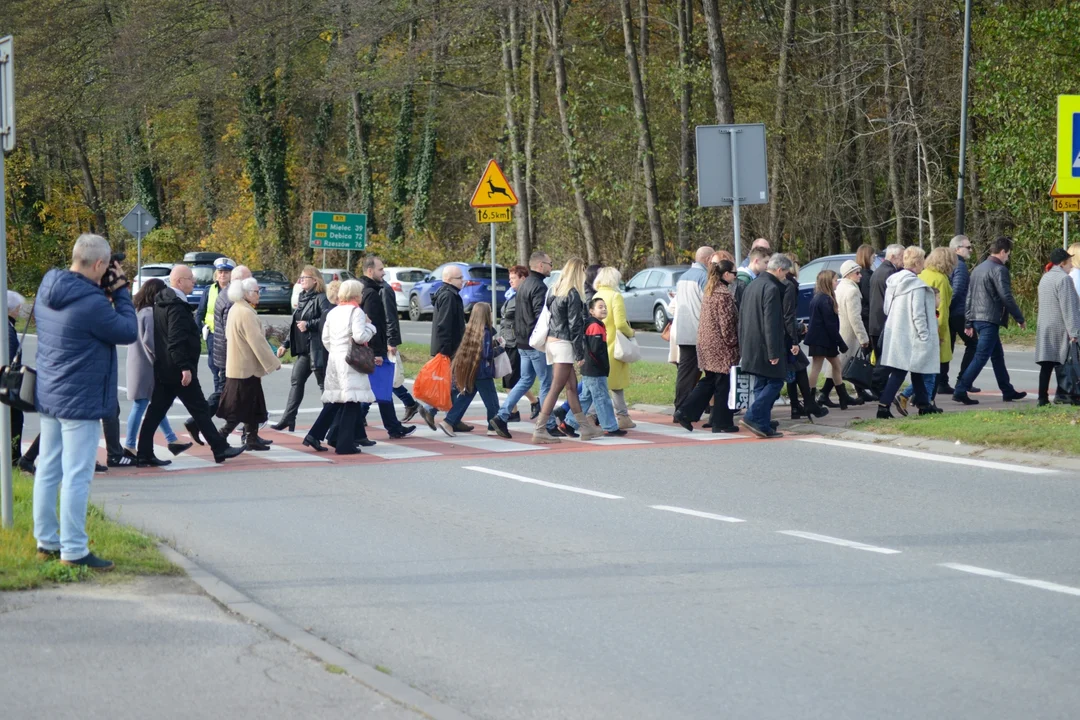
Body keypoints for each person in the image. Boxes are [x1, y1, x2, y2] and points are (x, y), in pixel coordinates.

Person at [33, 233, 137, 571]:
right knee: (77, 475)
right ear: (98, 264)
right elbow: (126, 331)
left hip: (51, 395)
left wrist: (102, 288)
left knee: (48, 469)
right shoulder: (91, 303)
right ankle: (74, 550)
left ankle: (46, 542)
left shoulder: (49, 287)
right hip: (80, 400)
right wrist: (121, 291)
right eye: (108, 266)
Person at [137, 265, 246, 466]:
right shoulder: (176, 305)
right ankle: (219, 448)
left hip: (166, 368)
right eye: (190, 278)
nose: (194, 282)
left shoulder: (162, 302)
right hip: (178, 370)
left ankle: (144, 453)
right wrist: (184, 367)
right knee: (199, 409)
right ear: (179, 281)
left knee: (158, 411)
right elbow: (175, 339)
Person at [303, 279, 377, 455]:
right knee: (351, 400)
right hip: (350, 361)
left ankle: (315, 435)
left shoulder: (333, 312)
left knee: (336, 399)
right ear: (356, 294)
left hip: (335, 358)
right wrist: (371, 327)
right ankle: (345, 444)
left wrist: (336, 350)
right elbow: (359, 337)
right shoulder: (356, 312)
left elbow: (325, 339)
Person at [533, 258, 602, 443]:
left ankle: (585, 428)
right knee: (556, 388)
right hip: (564, 344)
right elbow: (575, 326)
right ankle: (540, 429)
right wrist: (580, 354)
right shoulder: (572, 294)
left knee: (571, 387)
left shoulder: (554, 291)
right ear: (578, 272)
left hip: (552, 342)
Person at [953, 236, 1028, 405]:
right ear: (1002, 252)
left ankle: (1007, 390)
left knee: (997, 355)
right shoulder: (999, 270)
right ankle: (961, 389)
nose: (1008, 257)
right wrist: (1019, 317)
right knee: (981, 356)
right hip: (989, 318)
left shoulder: (978, 269)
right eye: (1008, 254)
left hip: (978, 318)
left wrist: (968, 321)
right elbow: (1006, 296)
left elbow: (969, 297)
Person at [123, 278, 193, 459]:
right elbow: (151, 342)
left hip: (139, 364)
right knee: (141, 405)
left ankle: (172, 440)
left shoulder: (139, 311)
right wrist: (165, 358)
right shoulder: (148, 314)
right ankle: (130, 445)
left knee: (155, 405)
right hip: (146, 366)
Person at [187, 264, 253, 443]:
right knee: (226, 393)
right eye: (248, 278)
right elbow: (230, 331)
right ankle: (199, 423)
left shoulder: (230, 295)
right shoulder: (231, 298)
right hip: (229, 355)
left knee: (242, 393)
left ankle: (250, 434)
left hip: (227, 352)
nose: (251, 282)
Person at [674, 261, 741, 433]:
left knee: (711, 380)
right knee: (722, 383)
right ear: (726, 274)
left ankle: (686, 412)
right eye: (734, 273)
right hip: (720, 345)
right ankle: (720, 421)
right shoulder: (723, 294)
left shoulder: (710, 291)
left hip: (706, 342)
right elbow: (726, 324)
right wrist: (733, 342)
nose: (735, 276)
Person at [215, 277, 282, 449]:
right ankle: (220, 436)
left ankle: (252, 438)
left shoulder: (238, 309)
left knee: (252, 403)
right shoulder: (245, 313)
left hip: (242, 365)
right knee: (240, 406)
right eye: (256, 292)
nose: (259, 295)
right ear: (245, 294)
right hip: (244, 367)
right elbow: (257, 341)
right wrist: (273, 362)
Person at [875, 247, 940, 418]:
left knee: (916, 369)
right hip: (912, 334)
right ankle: (883, 406)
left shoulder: (893, 281)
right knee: (901, 371)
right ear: (918, 262)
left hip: (896, 331)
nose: (924, 264)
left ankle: (924, 404)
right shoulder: (916, 286)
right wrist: (925, 335)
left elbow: (886, 307)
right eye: (923, 260)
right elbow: (918, 314)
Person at [358, 255, 416, 439]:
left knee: (381, 390)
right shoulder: (373, 294)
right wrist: (379, 351)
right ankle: (348, 428)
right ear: (370, 271)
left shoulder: (365, 290)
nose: (384, 272)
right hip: (374, 351)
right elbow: (375, 326)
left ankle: (393, 427)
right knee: (373, 391)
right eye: (380, 269)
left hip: (370, 350)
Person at [738, 254, 793, 438]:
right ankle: (753, 416)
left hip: (750, 344)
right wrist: (773, 351)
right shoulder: (771, 288)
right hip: (765, 345)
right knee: (776, 381)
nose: (786, 276)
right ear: (779, 270)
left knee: (761, 384)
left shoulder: (752, 284)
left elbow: (742, 317)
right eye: (785, 272)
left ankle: (762, 423)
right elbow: (771, 322)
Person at [495, 251, 552, 427]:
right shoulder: (539, 287)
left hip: (521, 343)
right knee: (546, 382)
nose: (552, 267)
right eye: (550, 263)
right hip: (534, 343)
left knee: (525, 380)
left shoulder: (524, 285)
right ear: (541, 265)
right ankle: (547, 424)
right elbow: (539, 317)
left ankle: (502, 415)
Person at [896, 248, 955, 414]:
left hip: (918, 328)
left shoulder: (922, 275)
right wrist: (942, 334)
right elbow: (942, 310)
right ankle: (926, 402)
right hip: (933, 328)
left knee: (922, 371)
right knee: (933, 372)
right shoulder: (941, 279)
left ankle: (920, 399)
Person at [438, 303, 512, 438]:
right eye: (489, 312)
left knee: (465, 398)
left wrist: (493, 344)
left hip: (472, 369)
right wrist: (501, 348)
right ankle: (492, 427)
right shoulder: (486, 331)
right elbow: (487, 354)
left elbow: (479, 350)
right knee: (492, 402)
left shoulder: (471, 330)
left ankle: (448, 421)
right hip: (483, 372)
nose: (491, 315)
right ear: (485, 315)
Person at [272, 265, 331, 432]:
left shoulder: (321, 298)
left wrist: (310, 324)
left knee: (324, 386)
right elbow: (295, 325)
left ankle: (330, 421)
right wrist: (285, 344)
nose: (301, 281)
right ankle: (288, 418)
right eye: (301, 278)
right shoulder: (302, 297)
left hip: (317, 349)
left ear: (315, 280)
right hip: (303, 350)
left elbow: (327, 319)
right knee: (296, 381)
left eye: (304, 278)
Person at [561, 297, 627, 437]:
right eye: (600, 307)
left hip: (589, 368)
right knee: (602, 398)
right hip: (595, 370)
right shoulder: (595, 326)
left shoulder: (594, 324)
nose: (604, 309)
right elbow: (596, 350)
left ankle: (567, 423)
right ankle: (610, 426)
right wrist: (603, 367)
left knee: (586, 398)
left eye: (605, 307)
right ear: (591, 311)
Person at [416, 265, 468, 431]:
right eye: (459, 278)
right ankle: (435, 411)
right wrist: (445, 351)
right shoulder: (448, 296)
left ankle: (453, 417)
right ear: (448, 279)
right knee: (454, 384)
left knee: (455, 384)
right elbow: (444, 325)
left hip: (451, 347)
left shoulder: (449, 294)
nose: (463, 281)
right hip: (449, 348)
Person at [780, 255, 826, 421]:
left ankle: (797, 406)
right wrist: (797, 330)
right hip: (788, 334)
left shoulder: (784, 283)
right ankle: (807, 403)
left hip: (785, 332)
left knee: (795, 368)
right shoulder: (790, 284)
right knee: (799, 365)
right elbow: (788, 313)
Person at [592, 266, 637, 429]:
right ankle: (622, 416)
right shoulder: (615, 296)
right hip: (613, 344)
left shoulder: (597, 295)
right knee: (616, 385)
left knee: (599, 384)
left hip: (599, 344)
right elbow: (620, 323)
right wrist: (631, 332)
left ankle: (595, 415)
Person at [807, 269, 858, 409]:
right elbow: (830, 326)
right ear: (828, 282)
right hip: (822, 340)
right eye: (835, 280)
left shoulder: (819, 298)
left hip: (821, 339)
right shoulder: (825, 300)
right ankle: (810, 399)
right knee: (818, 368)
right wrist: (841, 343)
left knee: (836, 366)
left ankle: (842, 397)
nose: (837, 283)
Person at [672, 246, 714, 414]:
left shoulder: (683, 277)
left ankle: (680, 407)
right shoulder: (704, 278)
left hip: (684, 331)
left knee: (685, 373)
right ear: (708, 260)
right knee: (712, 374)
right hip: (699, 331)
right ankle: (706, 408)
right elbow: (709, 305)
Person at [1036, 248, 1080, 406]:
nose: (1071, 266)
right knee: (1067, 363)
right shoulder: (1064, 280)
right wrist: (1074, 331)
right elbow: (1068, 308)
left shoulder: (1045, 278)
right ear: (1062, 263)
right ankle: (1069, 394)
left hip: (1046, 326)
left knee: (1046, 364)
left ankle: (1042, 398)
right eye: (1069, 262)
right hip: (1060, 327)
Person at [499, 265, 539, 422]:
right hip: (506, 341)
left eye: (513, 278)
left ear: (523, 278)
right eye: (509, 278)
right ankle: (523, 407)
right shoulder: (511, 295)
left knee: (512, 378)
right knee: (509, 378)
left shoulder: (522, 297)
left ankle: (520, 408)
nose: (510, 281)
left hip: (516, 342)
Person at [380, 268, 421, 422]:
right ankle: (410, 403)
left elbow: (390, 317)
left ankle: (361, 414)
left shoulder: (384, 290)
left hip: (384, 341)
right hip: (378, 340)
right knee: (384, 380)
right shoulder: (377, 288)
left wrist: (391, 341)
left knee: (384, 380)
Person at [869, 244, 905, 395]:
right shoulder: (891, 274)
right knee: (885, 361)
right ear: (892, 257)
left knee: (883, 359)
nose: (904, 260)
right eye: (902, 257)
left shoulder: (879, 271)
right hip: (884, 322)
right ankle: (877, 387)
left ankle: (879, 389)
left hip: (875, 322)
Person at [196, 256, 234, 394]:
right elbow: (200, 312)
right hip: (212, 335)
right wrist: (199, 331)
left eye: (226, 272)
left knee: (230, 367)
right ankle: (219, 393)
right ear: (216, 274)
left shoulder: (234, 290)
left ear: (231, 275)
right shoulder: (209, 290)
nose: (223, 275)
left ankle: (225, 394)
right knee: (215, 367)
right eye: (220, 272)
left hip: (230, 336)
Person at [946, 235, 978, 394]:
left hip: (951, 312)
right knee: (973, 344)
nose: (970, 250)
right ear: (957, 249)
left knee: (947, 346)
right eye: (968, 247)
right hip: (959, 312)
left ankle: (942, 382)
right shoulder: (960, 265)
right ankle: (963, 380)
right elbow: (957, 290)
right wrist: (950, 306)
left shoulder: (950, 263)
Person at [7, 290, 24, 463]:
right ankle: (13, 457)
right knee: (14, 419)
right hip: (9, 384)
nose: (19, 310)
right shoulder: (7, 331)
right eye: (16, 307)